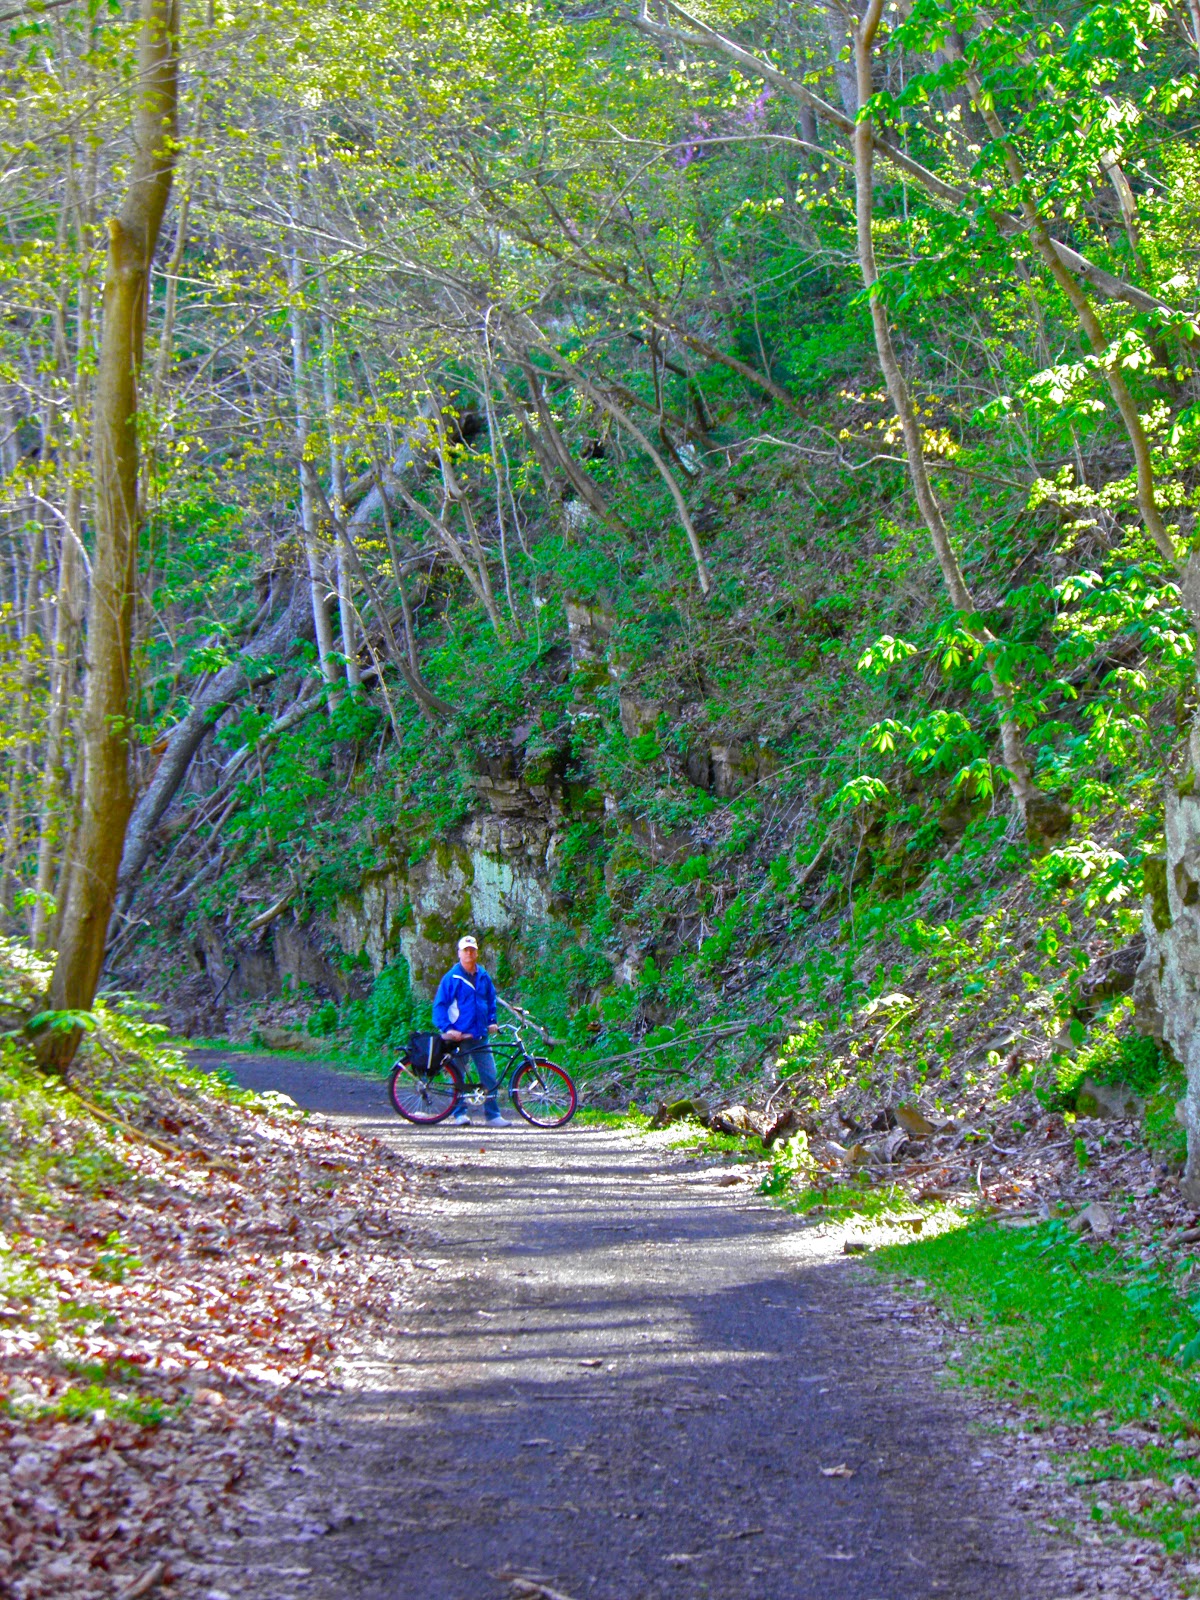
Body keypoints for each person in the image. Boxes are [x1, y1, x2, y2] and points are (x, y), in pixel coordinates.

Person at [432, 935, 511, 1127]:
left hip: (479, 1035)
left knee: (489, 1073)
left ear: (476, 953)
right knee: (458, 1074)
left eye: (472, 950)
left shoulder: (483, 976)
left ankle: (493, 1115)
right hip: (459, 1037)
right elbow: (439, 1007)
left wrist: (492, 1021)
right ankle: (460, 1113)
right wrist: (448, 1029)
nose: (469, 953)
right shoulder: (451, 978)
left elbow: (490, 1000)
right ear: (459, 953)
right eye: (465, 950)